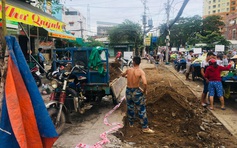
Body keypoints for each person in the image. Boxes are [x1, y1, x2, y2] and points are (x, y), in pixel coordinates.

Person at [121, 56, 155, 134]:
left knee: (130, 107)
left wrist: (126, 76)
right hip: (136, 91)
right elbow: (145, 83)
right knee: (141, 109)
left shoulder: (128, 70)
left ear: (133, 62)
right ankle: (145, 128)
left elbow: (122, 75)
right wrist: (144, 91)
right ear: (139, 62)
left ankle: (131, 123)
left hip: (128, 91)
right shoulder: (140, 71)